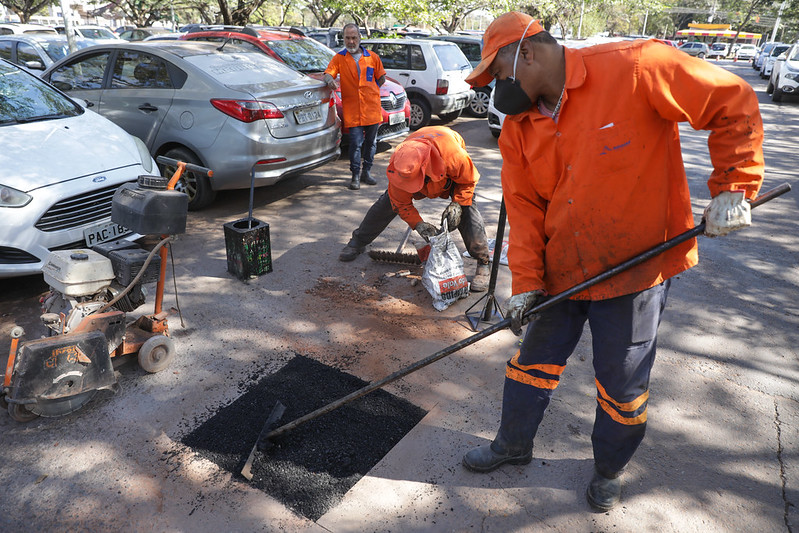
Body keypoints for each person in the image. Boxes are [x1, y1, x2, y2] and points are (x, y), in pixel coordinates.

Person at [460, 12, 765, 511]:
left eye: (497, 73)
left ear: (527, 52)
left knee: (622, 382)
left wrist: (734, 185)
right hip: (560, 274)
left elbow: (732, 101)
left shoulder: (638, 67)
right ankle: (511, 444)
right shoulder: (518, 128)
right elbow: (525, 210)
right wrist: (526, 283)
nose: (496, 87)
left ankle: (609, 469)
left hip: (634, 272)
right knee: (531, 364)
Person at [338, 126, 492, 292]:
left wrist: (458, 204)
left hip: (446, 167)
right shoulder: (399, 167)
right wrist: (418, 224)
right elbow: (401, 204)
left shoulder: (452, 154)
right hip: (424, 162)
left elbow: (468, 180)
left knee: (467, 209)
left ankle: (483, 262)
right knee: (387, 203)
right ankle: (358, 242)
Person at [324, 23, 386, 190]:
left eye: (354, 38)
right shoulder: (339, 58)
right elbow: (329, 72)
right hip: (353, 110)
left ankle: (367, 172)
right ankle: (355, 175)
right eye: (347, 38)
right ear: (343, 39)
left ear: (360, 38)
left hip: (372, 108)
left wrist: (371, 91)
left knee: (371, 143)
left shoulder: (372, 57)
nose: (351, 41)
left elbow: (381, 78)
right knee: (355, 143)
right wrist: (329, 80)